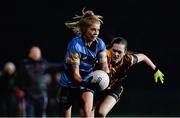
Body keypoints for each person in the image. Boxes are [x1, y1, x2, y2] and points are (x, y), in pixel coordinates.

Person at [94, 37, 165, 117]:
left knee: (101, 113)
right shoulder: (103, 55)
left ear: (124, 52)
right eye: (114, 50)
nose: (116, 54)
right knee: (90, 113)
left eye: (119, 52)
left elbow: (143, 57)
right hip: (99, 86)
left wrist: (155, 69)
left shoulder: (128, 59)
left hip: (115, 87)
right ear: (110, 49)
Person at [59, 8, 109, 117]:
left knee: (87, 114)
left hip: (87, 78)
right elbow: (75, 74)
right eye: (93, 29)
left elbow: (104, 67)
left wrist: (106, 80)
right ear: (84, 29)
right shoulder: (75, 45)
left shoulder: (100, 44)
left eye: (98, 30)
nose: (96, 33)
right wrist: (86, 84)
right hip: (69, 81)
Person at [17, 46, 63, 117]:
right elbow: (19, 78)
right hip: (29, 95)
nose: (36, 54)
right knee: (29, 115)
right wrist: (21, 89)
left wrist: (69, 62)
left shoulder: (43, 63)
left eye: (38, 52)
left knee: (41, 115)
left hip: (41, 94)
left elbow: (57, 66)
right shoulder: (24, 63)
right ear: (30, 53)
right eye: (34, 52)